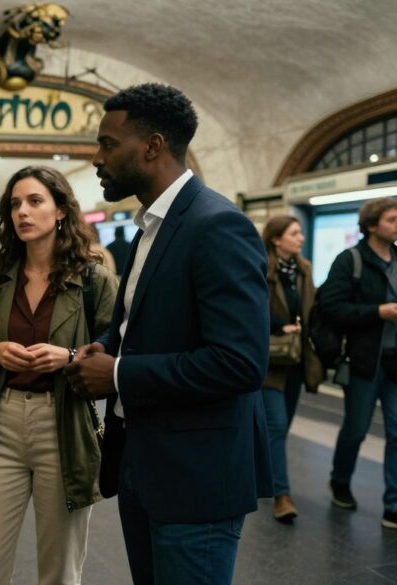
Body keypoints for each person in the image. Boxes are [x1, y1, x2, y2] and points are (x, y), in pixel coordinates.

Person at [64, 83, 271, 585]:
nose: (97, 158)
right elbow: (145, 321)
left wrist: (116, 373)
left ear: (153, 146)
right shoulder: (152, 227)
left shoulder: (217, 225)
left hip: (196, 477)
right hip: (146, 464)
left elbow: (240, 362)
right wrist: (109, 346)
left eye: (108, 144)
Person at [0, 165, 117, 585]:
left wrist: (68, 356)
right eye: (15, 204)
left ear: (61, 210)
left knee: (60, 568)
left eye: (35, 201)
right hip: (2, 423)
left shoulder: (94, 279)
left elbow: (115, 351)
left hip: (62, 424)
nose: (22, 212)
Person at [324, 197, 397, 531]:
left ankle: (395, 505)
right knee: (356, 430)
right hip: (364, 363)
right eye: (391, 219)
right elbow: (332, 307)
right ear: (372, 226)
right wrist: (377, 312)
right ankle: (340, 480)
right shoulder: (350, 260)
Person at [260, 216, 324, 522]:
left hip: (296, 359)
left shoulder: (304, 270)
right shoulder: (262, 268)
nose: (300, 238)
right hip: (270, 361)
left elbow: (310, 311)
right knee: (276, 427)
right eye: (294, 233)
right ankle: (282, 496)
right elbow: (252, 308)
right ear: (276, 239)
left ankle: (260, 474)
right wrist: (277, 325)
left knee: (280, 429)